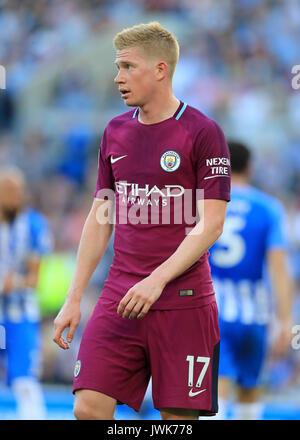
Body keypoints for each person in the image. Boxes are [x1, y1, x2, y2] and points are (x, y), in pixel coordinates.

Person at [53, 21, 231, 421]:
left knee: (178, 421)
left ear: (160, 70)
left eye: (127, 67)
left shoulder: (203, 132)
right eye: (117, 67)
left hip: (183, 302)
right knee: (88, 407)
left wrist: (157, 279)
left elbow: (211, 224)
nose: (118, 77)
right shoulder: (115, 132)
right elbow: (101, 217)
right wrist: (74, 295)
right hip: (121, 295)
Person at [209, 141, 293, 420]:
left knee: (215, 393)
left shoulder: (206, 205)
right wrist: (285, 320)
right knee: (250, 392)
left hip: (214, 313)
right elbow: (279, 268)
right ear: (251, 168)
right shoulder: (269, 208)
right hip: (255, 314)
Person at [0, 166, 53, 419]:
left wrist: (12, 283)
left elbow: (34, 278)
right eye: (8, 190)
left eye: (17, 190)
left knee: (24, 381)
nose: (13, 195)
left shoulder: (33, 224)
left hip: (19, 315)